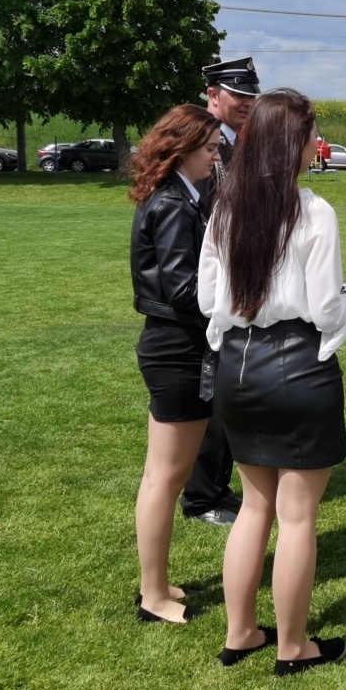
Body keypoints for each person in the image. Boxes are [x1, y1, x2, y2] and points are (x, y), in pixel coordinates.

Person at [199, 87, 346, 675]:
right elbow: (326, 309)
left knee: (256, 506)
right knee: (298, 514)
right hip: (297, 366)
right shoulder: (313, 211)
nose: (316, 145)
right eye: (311, 135)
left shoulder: (226, 205)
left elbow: (210, 296)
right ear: (294, 142)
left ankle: (240, 633)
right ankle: (292, 645)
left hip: (239, 364)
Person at [128, 104, 223, 625]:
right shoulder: (173, 204)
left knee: (163, 474)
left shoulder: (183, 197)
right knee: (166, 476)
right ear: (181, 148)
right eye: (209, 148)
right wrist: (236, 291)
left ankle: (157, 581)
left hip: (175, 344)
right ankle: (152, 594)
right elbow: (183, 288)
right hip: (176, 347)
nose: (215, 156)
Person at [177, 56, 264, 527]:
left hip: (235, 282)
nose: (247, 103)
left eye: (252, 95)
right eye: (238, 95)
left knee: (228, 388)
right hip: (207, 284)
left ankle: (217, 484)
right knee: (211, 393)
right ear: (213, 95)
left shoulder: (239, 146)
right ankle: (201, 495)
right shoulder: (206, 145)